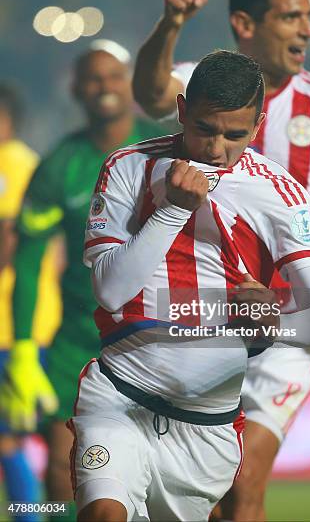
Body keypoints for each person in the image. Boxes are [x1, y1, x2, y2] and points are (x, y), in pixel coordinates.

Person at [132, 0, 310, 520]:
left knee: (242, 478)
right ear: (244, 23)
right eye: (291, 16)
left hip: (289, 326)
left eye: (309, 18)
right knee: (189, 484)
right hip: (203, 313)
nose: (307, 31)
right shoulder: (198, 84)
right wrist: (171, 22)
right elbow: (151, 92)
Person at [70, 50, 310, 522]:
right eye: (203, 129)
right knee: (104, 514)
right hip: (119, 395)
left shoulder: (281, 192)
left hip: (206, 425)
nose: (216, 149)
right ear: (180, 111)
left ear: (257, 126)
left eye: (234, 135)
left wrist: (272, 317)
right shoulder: (129, 167)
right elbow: (110, 290)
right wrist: (172, 210)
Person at [0, 41, 162, 516]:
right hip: (77, 338)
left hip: (154, 335)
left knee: (164, 465)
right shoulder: (57, 167)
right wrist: (26, 347)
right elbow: (28, 263)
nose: (104, 87)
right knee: (62, 465)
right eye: (93, 79)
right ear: (76, 89)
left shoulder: (162, 150)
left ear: (129, 82)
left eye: (113, 76)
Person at [0, 83, 62, 522]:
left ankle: (33, 517)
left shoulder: (19, 164)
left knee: (13, 438)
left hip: (21, 329)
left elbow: (14, 240)